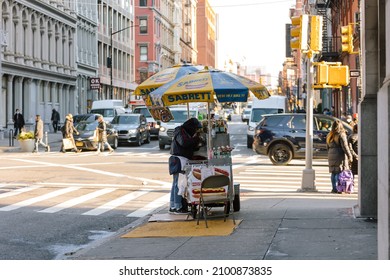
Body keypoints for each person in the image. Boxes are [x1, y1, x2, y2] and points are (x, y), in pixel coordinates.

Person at [169, 117, 202, 214]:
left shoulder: (184, 132)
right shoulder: (180, 131)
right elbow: (184, 142)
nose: (195, 131)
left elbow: (189, 145)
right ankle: (178, 207)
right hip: (178, 159)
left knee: (176, 183)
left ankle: (173, 206)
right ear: (191, 127)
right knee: (178, 184)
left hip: (180, 159)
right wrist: (196, 139)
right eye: (195, 128)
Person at [326, 119, 353, 193]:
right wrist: (349, 155)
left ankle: (334, 188)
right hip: (339, 155)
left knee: (333, 172)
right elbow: (345, 146)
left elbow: (327, 146)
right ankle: (339, 188)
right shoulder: (341, 134)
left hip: (331, 154)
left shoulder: (329, 135)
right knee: (338, 172)